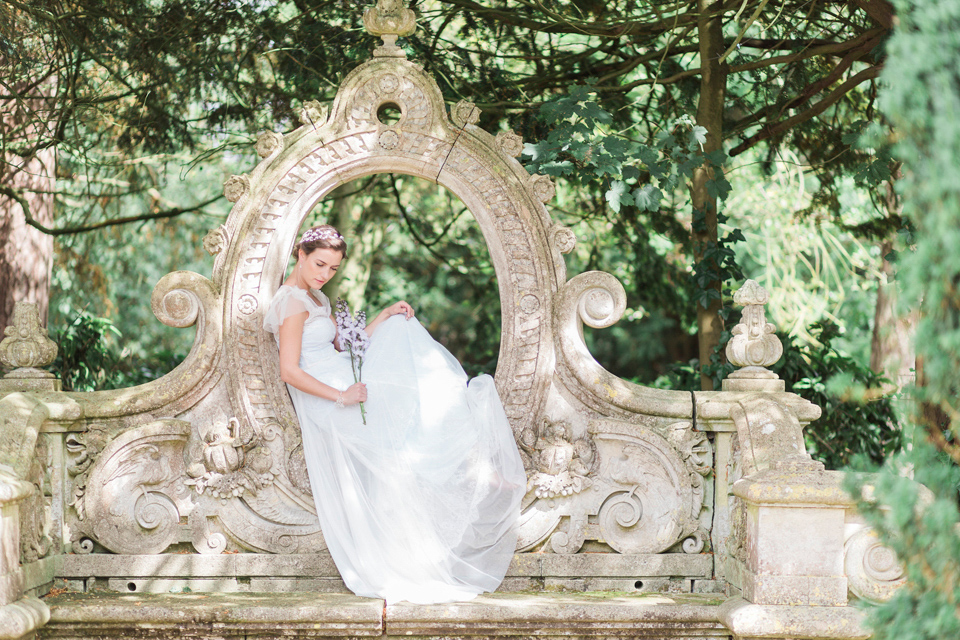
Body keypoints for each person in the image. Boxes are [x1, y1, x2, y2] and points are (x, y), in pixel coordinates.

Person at [263, 224, 526, 604]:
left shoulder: (317, 298)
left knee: (408, 351)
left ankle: (467, 462)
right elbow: (289, 371)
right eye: (319, 264)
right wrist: (341, 395)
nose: (324, 274)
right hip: (327, 398)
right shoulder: (290, 302)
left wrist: (385, 314)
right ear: (300, 255)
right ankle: (471, 464)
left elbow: (348, 351)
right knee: (404, 412)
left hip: (344, 381)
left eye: (333, 269)